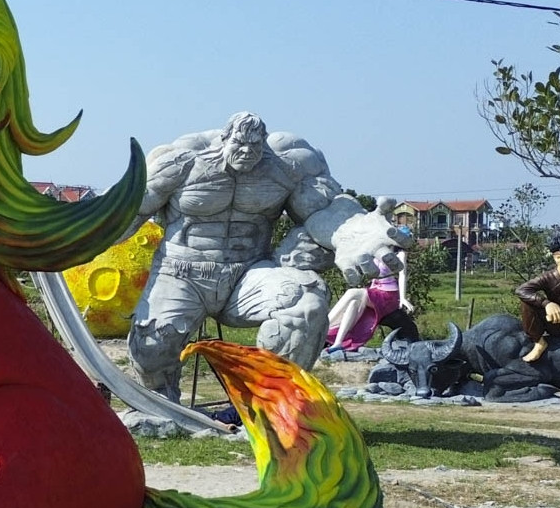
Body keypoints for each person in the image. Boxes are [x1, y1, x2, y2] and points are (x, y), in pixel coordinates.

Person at [129, 112, 410, 400]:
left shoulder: (287, 164)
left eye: (255, 145)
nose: (247, 152)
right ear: (225, 139)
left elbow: (325, 210)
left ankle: (267, 405)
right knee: (151, 347)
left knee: (307, 304)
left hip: (248, 273)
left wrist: (354, 233)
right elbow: (130, 212)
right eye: (240, 144)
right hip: (181, 273)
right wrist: (96, 233)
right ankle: (158, 404)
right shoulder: (183, 161)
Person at [516, 228, 560, 363]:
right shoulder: (548, 277)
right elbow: (521, 290)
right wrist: (547, 303)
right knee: (527, 301)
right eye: (558, 257)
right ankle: (539, 342)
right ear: (554, 257)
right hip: (555, 322)